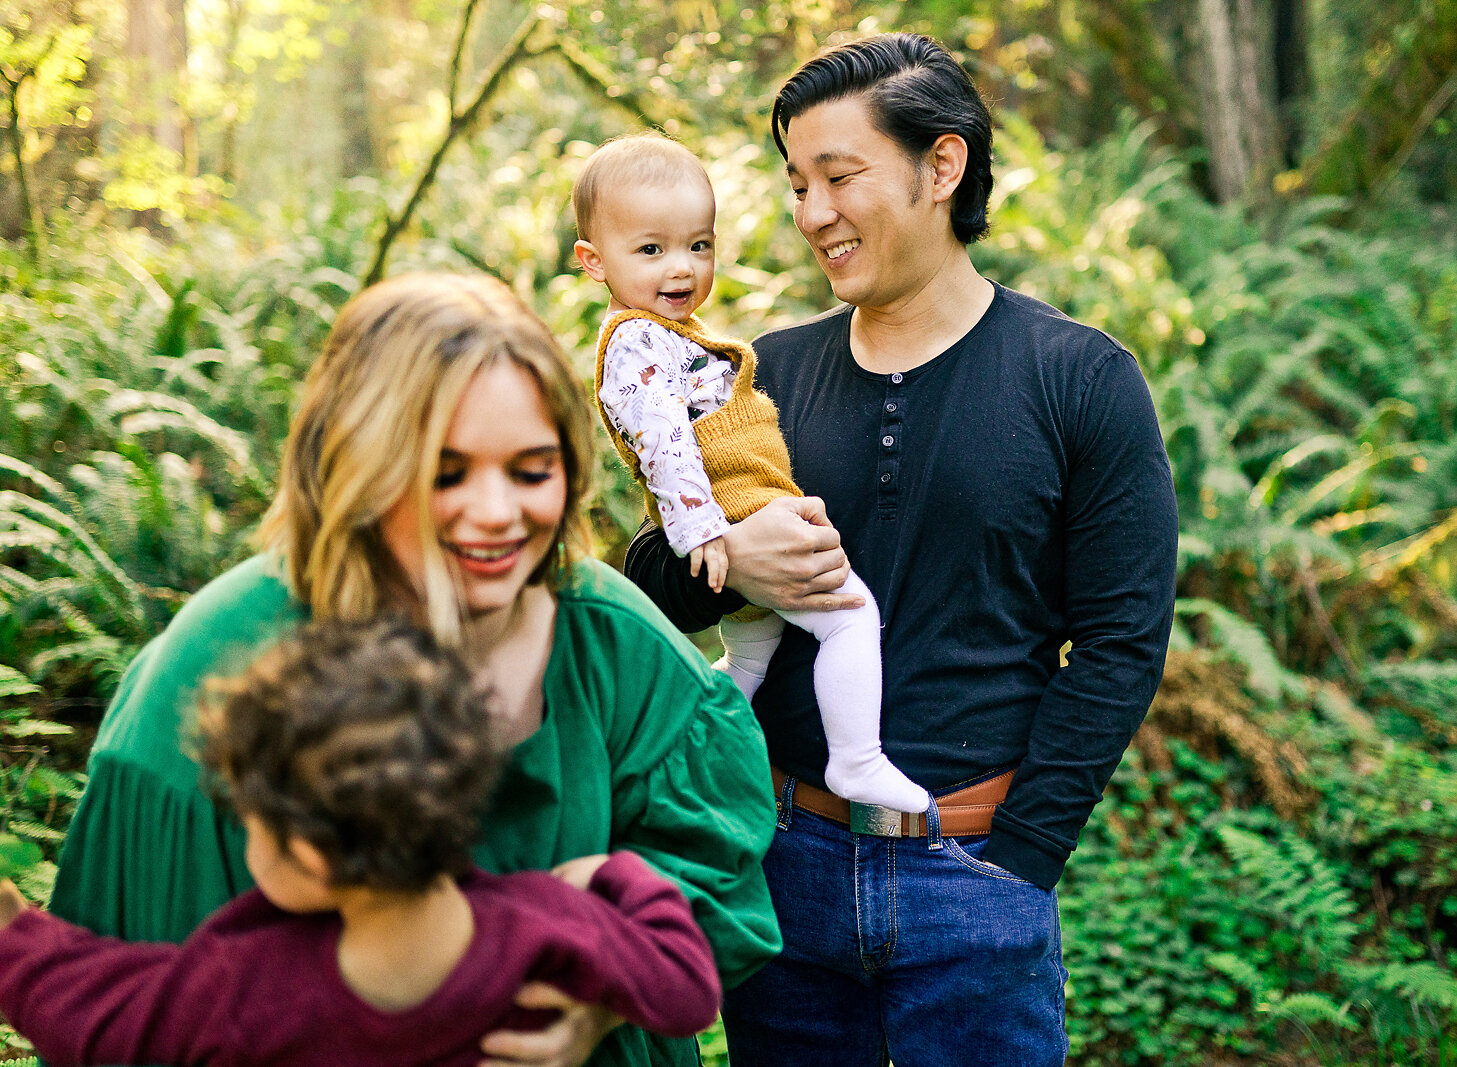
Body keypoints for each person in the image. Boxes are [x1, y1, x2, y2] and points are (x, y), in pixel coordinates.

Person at [47, 271, 780, 1067]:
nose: (497, 512)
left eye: (531, 469)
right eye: (445, 471)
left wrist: (599, 989)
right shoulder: (211, 669)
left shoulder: (606, 638)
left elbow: (717, 872)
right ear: (356, 465)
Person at [625, 32, 1180, 1065]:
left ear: (941, 166)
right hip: (780, 872)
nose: (812, 213)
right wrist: (730, 560)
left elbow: (1120, 639)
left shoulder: (1080, 377)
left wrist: (1021, 857)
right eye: (796, 184)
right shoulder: (754, 375)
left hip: (977, 882)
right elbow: (641, 579)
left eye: (839, 175)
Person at [0, 615, 721, 1066]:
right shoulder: (545, 927)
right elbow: (686, 987)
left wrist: (14, 936)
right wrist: (615, 874)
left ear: (309, 855)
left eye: (251, 822)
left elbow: (104, 1012)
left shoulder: (253, 988)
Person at [573, 132, 924, 815]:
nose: (681, 268)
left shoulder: (672, 333)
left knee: (749, 660)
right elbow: (665, 442)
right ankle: (857, 759)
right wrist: (709, 532)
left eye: (698, 246)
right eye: (651, 250)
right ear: (593, 261)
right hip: (732, 509)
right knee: (850, 619)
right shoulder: (637, 342)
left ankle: (681, 741)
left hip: (744, 504)